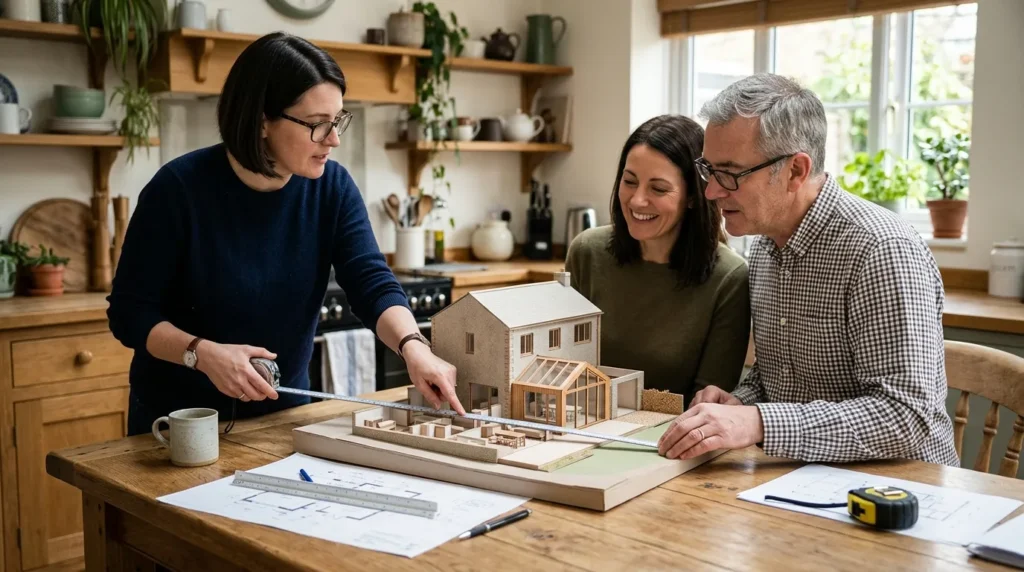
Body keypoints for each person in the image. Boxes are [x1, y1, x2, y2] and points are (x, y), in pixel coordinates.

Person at [108, 32, 465, 437]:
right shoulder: (177, 189)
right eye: (317, 125)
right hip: (178, 424)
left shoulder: (332, 187)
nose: (334, 139)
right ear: (262, 120)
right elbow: (129, 314)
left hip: (284, 415)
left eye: (338, 121)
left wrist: (413, 345)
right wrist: (202, 354)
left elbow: (370, 280)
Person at [657, 74, 959, 466]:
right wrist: (739, 404)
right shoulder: (765, 247)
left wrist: (758, 422)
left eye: (729, 174)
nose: (712, 191)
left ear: (796, 171)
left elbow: (905, 418)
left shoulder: (882, 251)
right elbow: (778, 382)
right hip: (805, 480)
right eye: (708, 170)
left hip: (906, 492)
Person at [566, 114, 750, 408]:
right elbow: (563, 366)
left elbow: (708, 402)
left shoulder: (729, 278)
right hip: (578, 426)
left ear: (693, 196)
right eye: (629, 181)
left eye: (658, 189)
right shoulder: (587, 251)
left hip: (669, 442)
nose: (637, 200)